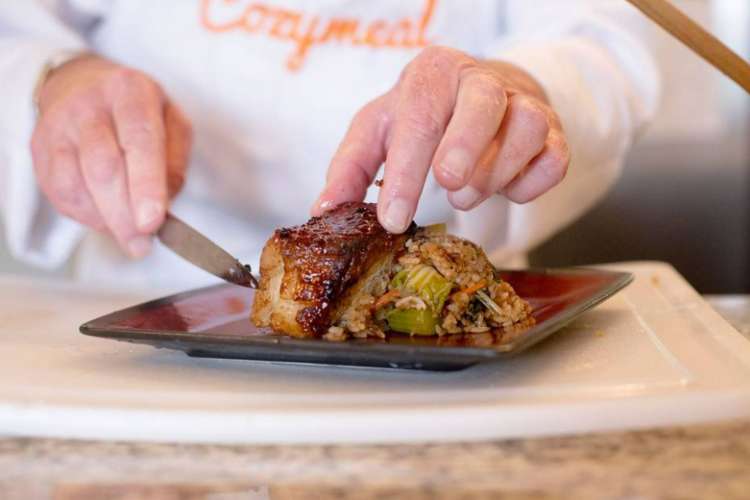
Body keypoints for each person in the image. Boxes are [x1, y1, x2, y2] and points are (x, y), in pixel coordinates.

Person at [0, 1, 659, 291]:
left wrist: (519, 90)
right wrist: (56, 76)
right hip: (145, 313)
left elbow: (604, 40)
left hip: (441, 342)